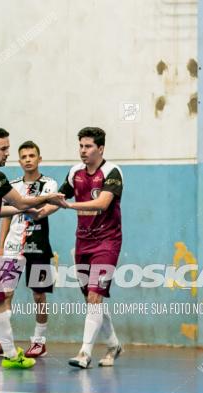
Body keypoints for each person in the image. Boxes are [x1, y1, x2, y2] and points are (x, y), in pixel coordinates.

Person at [0, 127, 66, 369]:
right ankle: (10, 354)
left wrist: (23, 210)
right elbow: (22, 200)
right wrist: (47, 199)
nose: (7, 153)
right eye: (3, 149)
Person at [0, 140, 60, 359]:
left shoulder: (49, 184)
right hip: (12, 247)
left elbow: (47, 208)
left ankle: (39, 341)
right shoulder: (12, 185)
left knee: (39, 295)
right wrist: (0, 246)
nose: (28, 160)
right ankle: (2, 341)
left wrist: (38, 209)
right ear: (19, 160)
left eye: (32, 156)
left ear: (39, 159)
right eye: (24, 156)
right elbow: (5, 216)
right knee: (4, 294)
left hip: (38, 247)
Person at [57, 127, 124, 369]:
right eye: (81, 146)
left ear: (101, 148)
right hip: (82, 241)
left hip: (107, 242)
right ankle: (114, 345)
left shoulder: (112, 172)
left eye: (88, 147)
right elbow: (58, 198)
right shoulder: (75, 172)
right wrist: (36, 209)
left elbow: (102, 203)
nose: (83, 151)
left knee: (95, 296)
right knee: (90, 299)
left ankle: (84, 354)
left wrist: (69, 206)